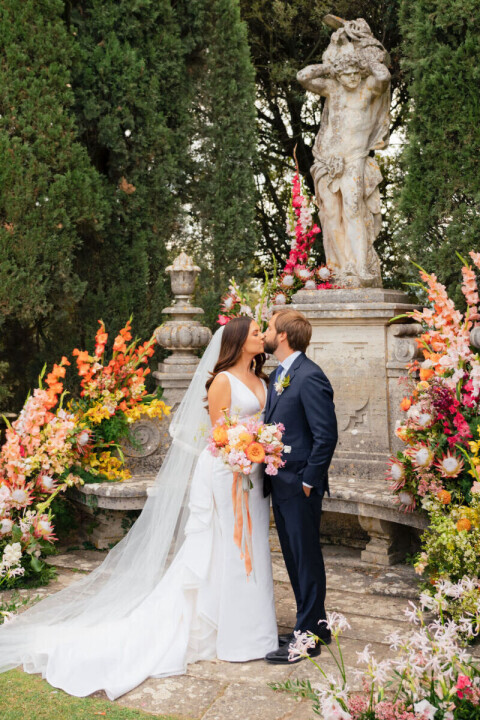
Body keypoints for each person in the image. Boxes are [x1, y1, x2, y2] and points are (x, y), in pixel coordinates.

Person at [0, 317, 278, 699]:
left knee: (254, 546)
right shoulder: (222, 381)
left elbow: (264, 425)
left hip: (255, 475)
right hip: (227, 472)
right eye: (255, 333)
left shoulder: (263, 382)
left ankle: (253, 632)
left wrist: (266, 445)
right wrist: (245, 449)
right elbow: (220, 435)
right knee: (228, 546)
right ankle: (227, 633)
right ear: (237, 342)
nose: (263, 337)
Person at [262, 308, 338, 664]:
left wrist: (309, 480)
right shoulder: (281, 373)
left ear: (283, 336)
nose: (264, 332)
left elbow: (326, 436)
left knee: (305, 558)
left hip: (299, 485)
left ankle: (306, 638)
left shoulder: (309, 377)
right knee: (296, 556)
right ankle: (318, 624)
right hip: (283, 482)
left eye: (268, 328)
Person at [297, 18, 390, 288]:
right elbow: (302, 76)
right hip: (327, 159)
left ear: (361, 71)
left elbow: (382, 74)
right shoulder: (332, 88)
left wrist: (363, 52)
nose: (351, 77)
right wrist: (332, 65)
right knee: (329, 214)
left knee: (352, 209)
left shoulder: (368, 89)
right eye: (346, 72)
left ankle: (360, 268)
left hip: (354, 159)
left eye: (355, 72)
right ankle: (337, 269)